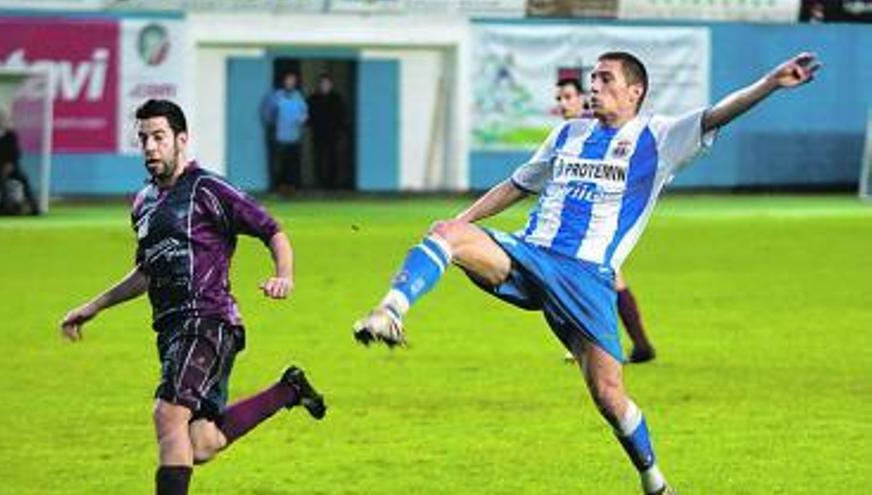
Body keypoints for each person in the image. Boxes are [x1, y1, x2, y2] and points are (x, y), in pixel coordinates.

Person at [352, 52, 820, 494]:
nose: (594, 87)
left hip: (588, 279)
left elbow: (718, 113)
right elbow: (517, 185)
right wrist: (459, 227)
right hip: (531, 255)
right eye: (592, 79)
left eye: (605, 80)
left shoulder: (659, 137)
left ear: (634, 91)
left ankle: (654, 480)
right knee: (445, 233)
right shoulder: (567, 135)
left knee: (609, 397)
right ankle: (390, 311)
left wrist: (771, 83)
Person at [59, 99, 326, 495]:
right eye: (144, 139)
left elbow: (273, 229)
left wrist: (283, 275)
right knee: (201, 442)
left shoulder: (208, 189)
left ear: (181, 140)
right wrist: (93, 306)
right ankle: (289, 390)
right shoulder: (143, 204)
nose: (150, 147)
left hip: (207, 322)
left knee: (167, 416)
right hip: (171, 332)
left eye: (159, 137)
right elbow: (147, 272)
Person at [555, 77, 656, 364]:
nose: (563, 104)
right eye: (559, 99)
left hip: (601, 222)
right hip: (583, 225)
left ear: (581, 99)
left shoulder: (599, 131)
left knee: (586, 280)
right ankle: (640, 346)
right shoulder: (571, 133)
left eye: (567, 97)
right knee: (606, 281)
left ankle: (598, 345)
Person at [262, 71, 308, 193]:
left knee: (292, 165)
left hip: (294, 137)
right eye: (288, 80)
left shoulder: (298, 96)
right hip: (279, 137)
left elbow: (304, 114)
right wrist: (273, 127)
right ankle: (277, 187)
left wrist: (302, 120)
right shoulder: (276, 96)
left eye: (293, 80)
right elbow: (268, 114)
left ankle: (292, 187)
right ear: (284, 81)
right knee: (278, 165)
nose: (290, 82)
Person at [0, 107, 39, 215]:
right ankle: (3, 208)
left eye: (5, 119)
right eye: (1, 119)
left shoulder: (12, 135)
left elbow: (15, 153)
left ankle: (33, 206)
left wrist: (10, 165)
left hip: (11, 166)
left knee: (24, 178)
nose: (3, 121)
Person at [307, 73, 347, 189]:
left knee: (334, 158)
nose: (324, 86)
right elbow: (307, 115)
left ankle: (332, 184)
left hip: (334, 134)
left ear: (331, 85)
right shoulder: (312, 98)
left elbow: (342, 115)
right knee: (319, 158)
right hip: (318, 133)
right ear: (319, 85)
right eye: (322, 83)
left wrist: (341, 130)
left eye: (327, 83)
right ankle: (320, 183)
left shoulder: (337, 98)